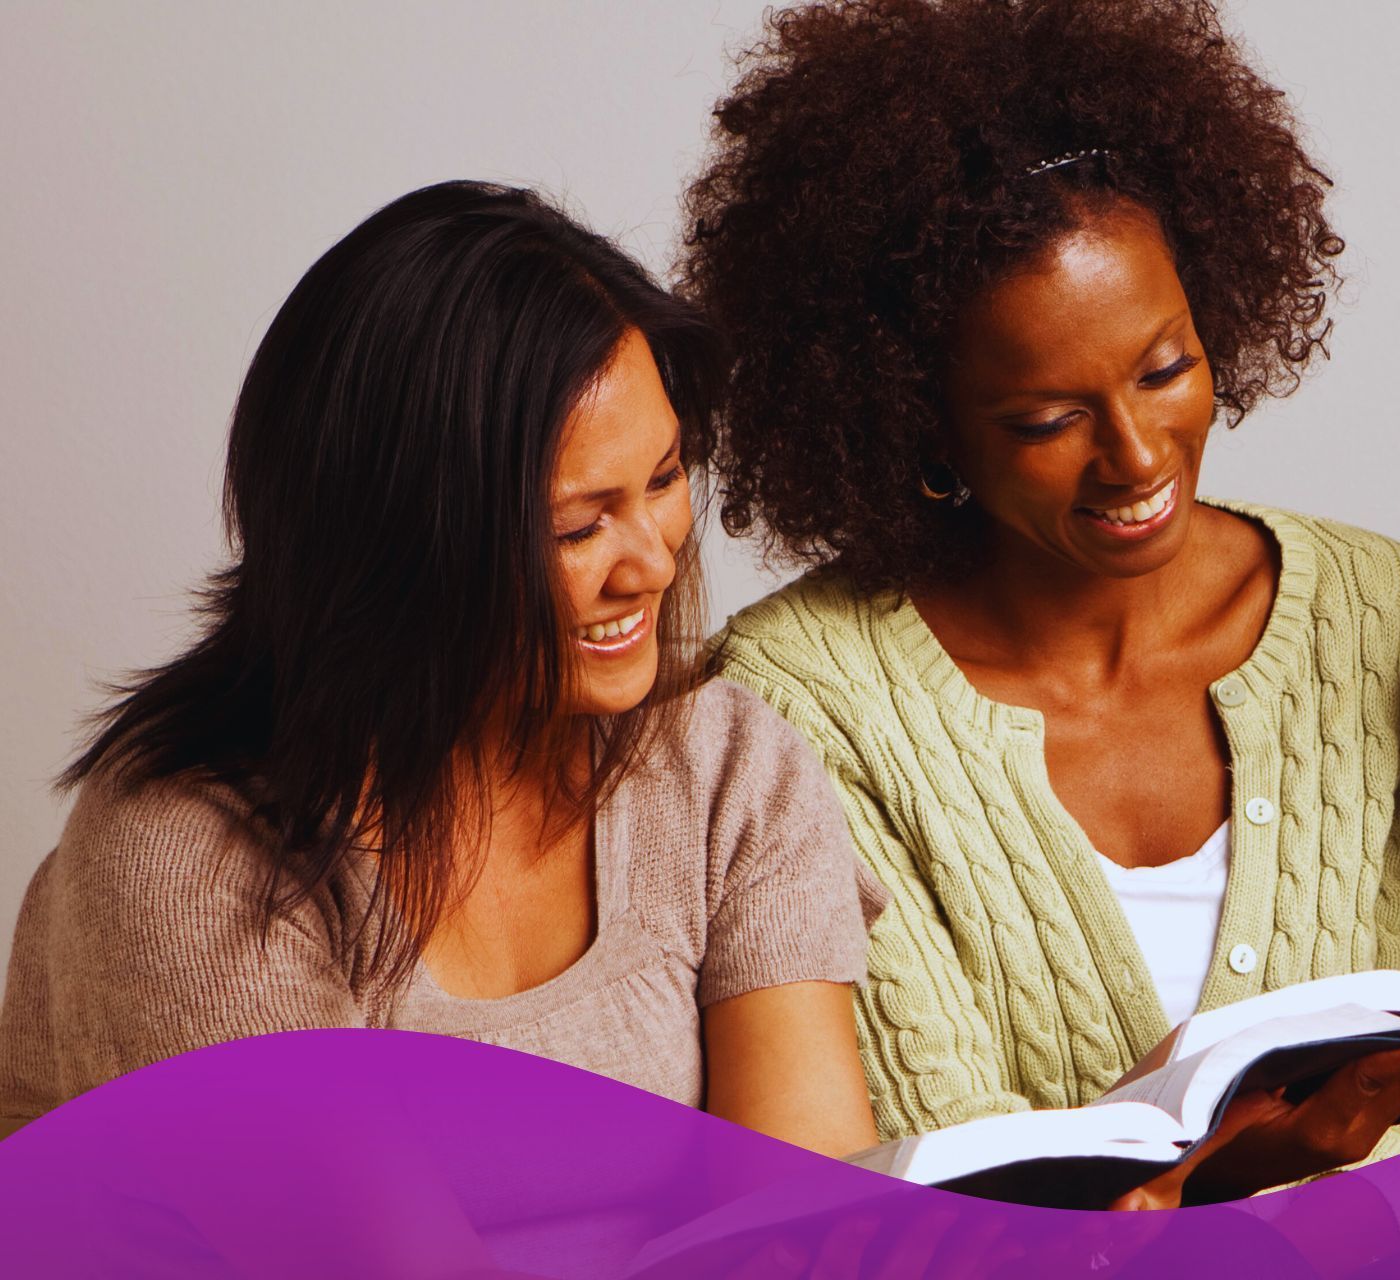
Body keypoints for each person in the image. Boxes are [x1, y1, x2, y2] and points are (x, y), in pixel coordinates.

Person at [690, 0, 1400, 1204]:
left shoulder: (1374, 611)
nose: (1137, 455)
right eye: (1047, 420)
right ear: (920, 419)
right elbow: (942, 1168)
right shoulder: (801, 700)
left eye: (1165, 368)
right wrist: (1249, 1170)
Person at [0, 181, 883, 1156]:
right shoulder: (192, 855)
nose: (652, 564)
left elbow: (819, 1206)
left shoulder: (725, 771)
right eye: (577, 527)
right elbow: (354, 1235)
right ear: (397, 544)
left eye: (666, 478)